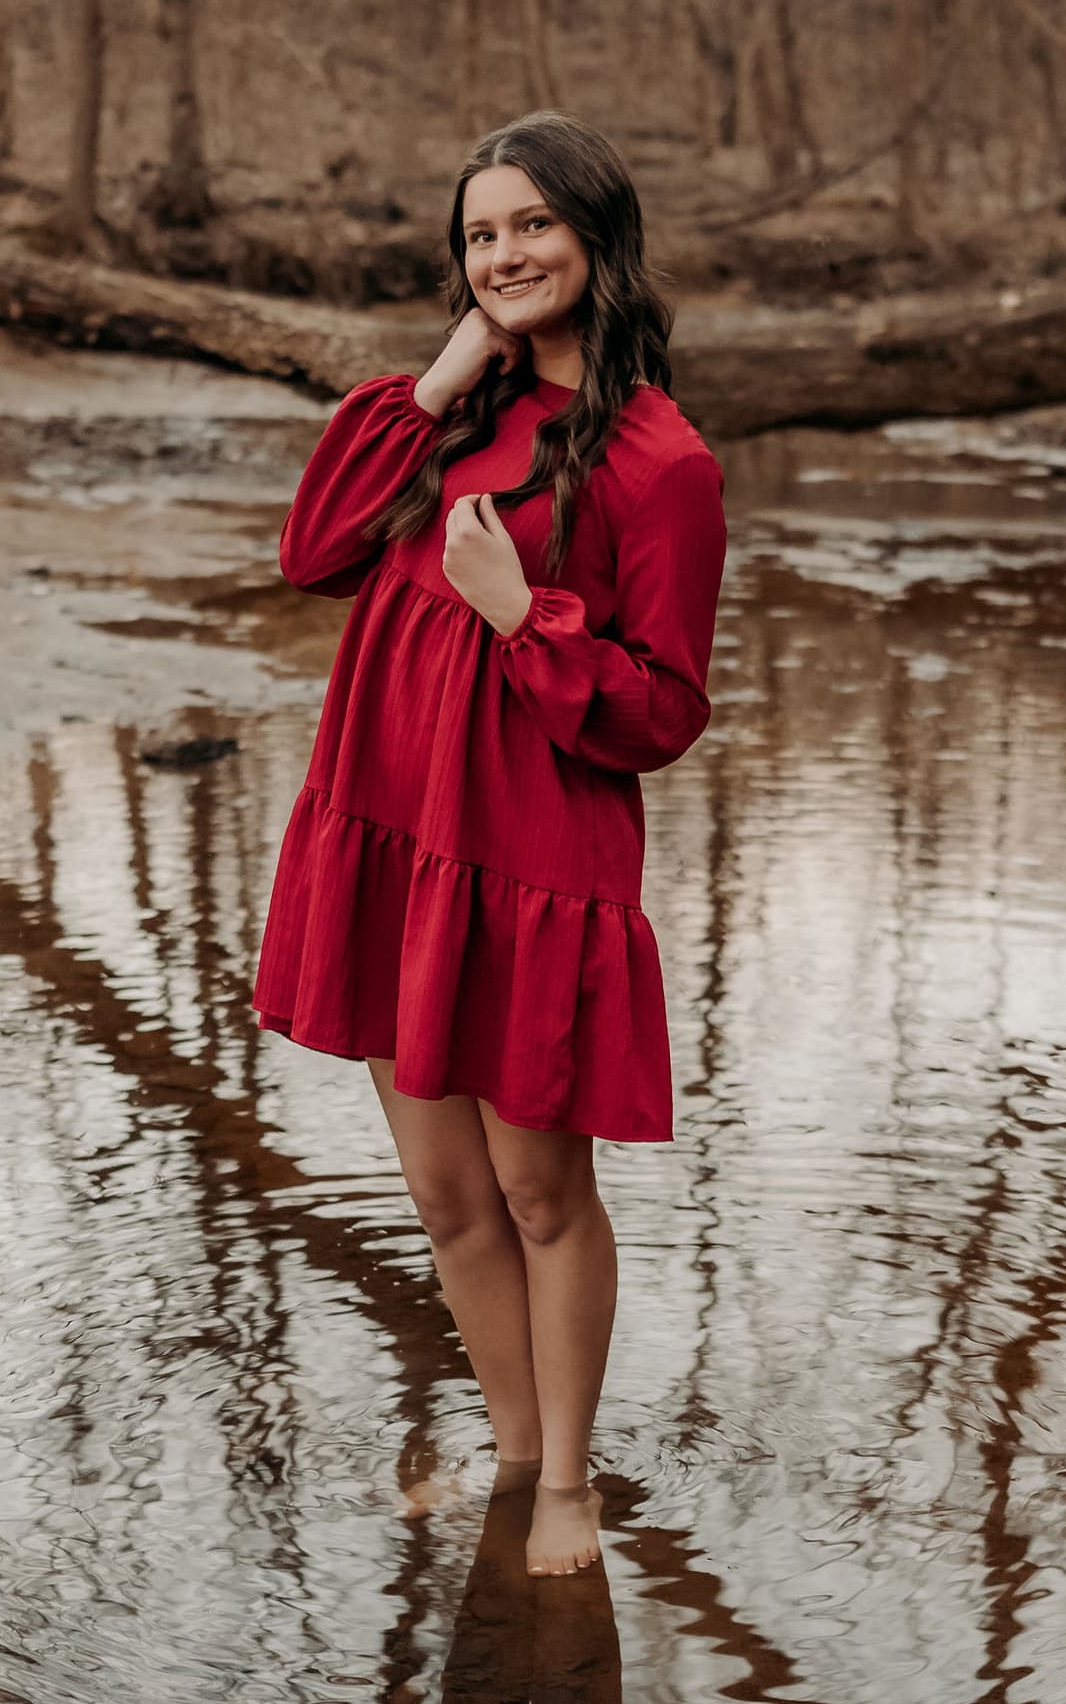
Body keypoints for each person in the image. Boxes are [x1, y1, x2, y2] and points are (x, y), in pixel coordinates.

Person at [253, 108, 727, 1578]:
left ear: (594, 235)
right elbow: (312, 548)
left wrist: (524, 615)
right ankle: (513, 1450)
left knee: (536, 1188)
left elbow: (661, 712)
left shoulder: (663, 464)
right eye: (479, 234)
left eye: (530, 225)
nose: (505, 253)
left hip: (529, 860)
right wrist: (442, 370)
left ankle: (572, 1477)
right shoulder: (448, 416)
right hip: (395, 832)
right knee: (450, 1198)